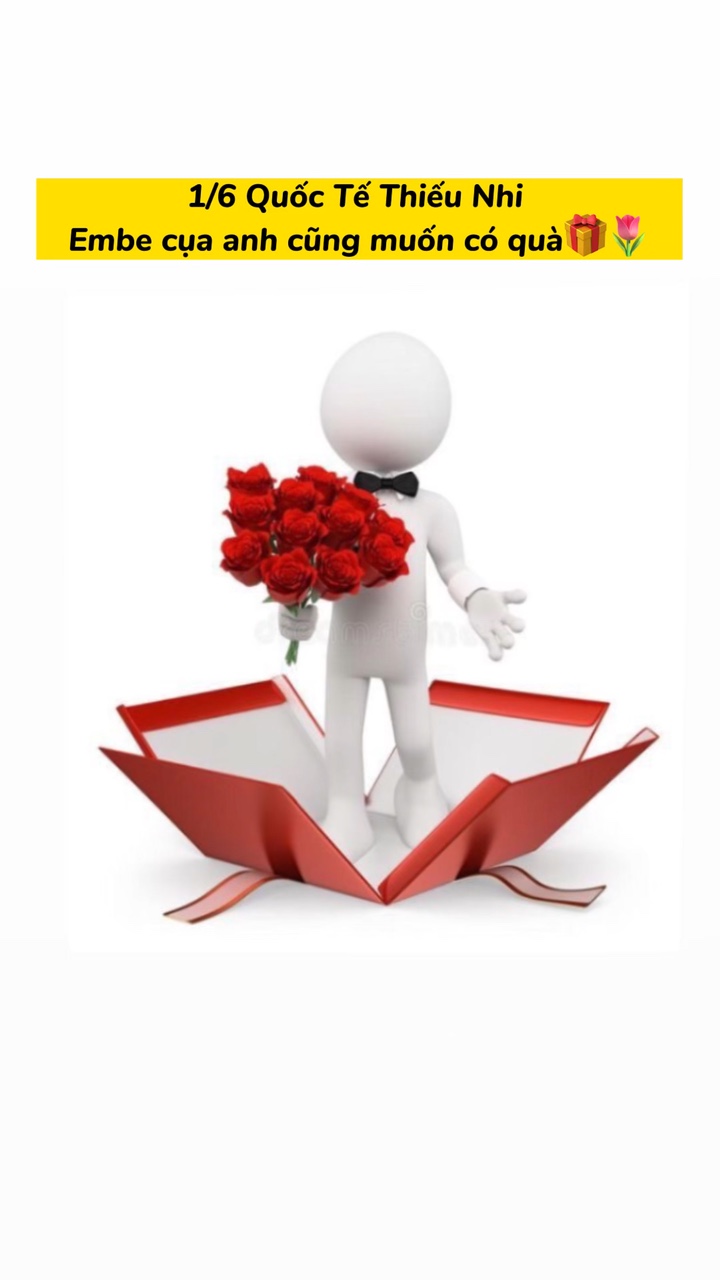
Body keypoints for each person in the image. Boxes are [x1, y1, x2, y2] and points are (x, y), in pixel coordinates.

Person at [279, 332, 526, 860]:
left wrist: (477, 596)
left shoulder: (434, 509)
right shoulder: (327, 504)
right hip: (347, 651)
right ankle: (344, 808)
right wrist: (293, 612)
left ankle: (419, 791)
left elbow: (453, 567)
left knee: (416, 740)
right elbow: (305, 571)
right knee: (342, 740)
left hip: (406, 655)